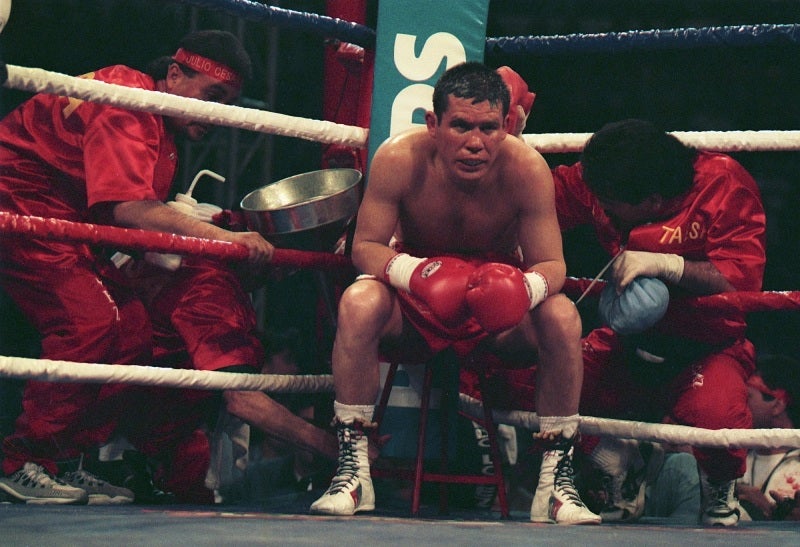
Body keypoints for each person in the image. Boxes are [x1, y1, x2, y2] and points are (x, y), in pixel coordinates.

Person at [0, 29, 328, 505]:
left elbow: (132, 216)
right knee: (92, 323)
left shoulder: (161, 133)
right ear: (175, 74)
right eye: (212, 97)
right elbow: (131, 209)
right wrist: (227, 240)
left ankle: (65, 459)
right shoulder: (130, 95)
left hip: (65, 220)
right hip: (19, 203)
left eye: (227, 105)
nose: (216, 114)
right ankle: (18, 460)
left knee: (132, 329)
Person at [309, 61, 600, 524]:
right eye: (460, 125)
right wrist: (415, 273)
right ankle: (353, 471)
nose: (474, 142)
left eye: (488, 127)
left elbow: (553, 266)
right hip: (414, 301)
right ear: (433, 124)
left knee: (563, 316)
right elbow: (364, 247)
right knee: (358, 302)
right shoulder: (399, 158)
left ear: (506, 127)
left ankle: (556, 482)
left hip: (493, 310)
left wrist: (520, 289)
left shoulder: (526, 169)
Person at [547, 118, 766, 527]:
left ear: (652, 201)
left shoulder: (723, 185)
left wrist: (671, 265)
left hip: (705, 346)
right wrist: (504, 145)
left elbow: (743, 277)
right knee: (536, 378)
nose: (601, 208)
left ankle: (720, 486)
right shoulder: (604, 176)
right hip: (626, 342)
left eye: (610, 204)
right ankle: (618, 459)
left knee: (718, 418)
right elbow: (532, 198)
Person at [736, 353, 800, 521]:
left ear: (777, 405)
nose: (739, 403)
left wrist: (771, 512)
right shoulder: (732, 457)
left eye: (748, 396)